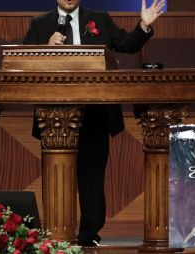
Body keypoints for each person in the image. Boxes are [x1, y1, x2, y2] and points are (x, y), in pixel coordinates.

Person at [22, 0, 165, 246]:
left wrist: (144, 25)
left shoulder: (100, 19)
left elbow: (126, 45)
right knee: (57, 177)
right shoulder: (40, 24)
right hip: (54, 117)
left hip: (96, 113)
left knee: (92, 178)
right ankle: (57, 236)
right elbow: (22, 60)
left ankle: (89, 237)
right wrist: (45, 47)